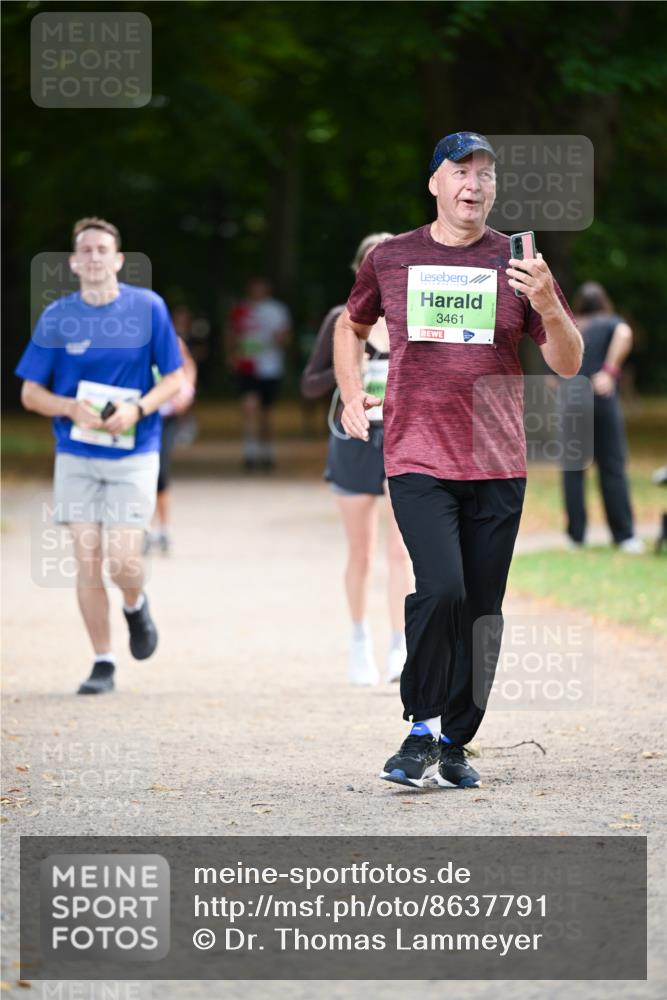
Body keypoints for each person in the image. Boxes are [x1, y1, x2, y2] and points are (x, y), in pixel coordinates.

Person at [334, 132, 582, 789]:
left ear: (493, 189)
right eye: (459, 171)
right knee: (440, 588)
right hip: (416, 452)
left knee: (481, 610)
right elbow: (349, 326)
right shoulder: (391, 257)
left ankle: (453, 742)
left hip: (496, 458)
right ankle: (418, 727)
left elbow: (567, 363)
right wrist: (353, 389)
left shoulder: (518, 262)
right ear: (435, 184)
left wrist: (548, 305)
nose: (473, 183)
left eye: (484, 174)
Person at [15, 217, 184, 695]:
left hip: (134, 451)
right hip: (75, 452)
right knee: (86, 556)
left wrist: (137, 407)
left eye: (101, 249)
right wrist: (68, 407)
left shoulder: (148, 308)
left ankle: (135, 603)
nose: (93, 257)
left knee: (122, 558)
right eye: (84, 250)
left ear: (117, 260)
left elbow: (173, 379)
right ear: (73, 262)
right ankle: (103, 661)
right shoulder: (57, 317)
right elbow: (30, 393)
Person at [301, 233, 413, 686]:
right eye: (372, 261)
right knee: (361, 551)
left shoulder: (413, 316)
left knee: (400, 551)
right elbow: (309, 384)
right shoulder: (340, 320)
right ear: (359, 269)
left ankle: (400, 646)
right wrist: (350, 365)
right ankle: (358, 639)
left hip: (402, 440)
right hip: (351, 439)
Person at [562, 281, 643, 553]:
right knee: (612, 467)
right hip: (601, 398)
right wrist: (609, 370)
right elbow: (624, 333)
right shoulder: (610, 321)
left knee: (573, 471)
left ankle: (576, 537)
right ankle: (624, 536)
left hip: (573, 400)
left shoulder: (573, 325)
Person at [226, 277, 291, 470]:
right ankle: (250, 453)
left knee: (266, 413)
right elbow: (231, 334)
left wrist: (278, 339)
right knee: (249, 407)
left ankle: (267, 452)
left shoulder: (277, 310)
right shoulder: (241, 309)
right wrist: (231, 355)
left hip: (270, 367)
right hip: (247, 367)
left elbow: (286, 336)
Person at [145, 333, 197, 555]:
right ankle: (143, 528)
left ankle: (163, 528)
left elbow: (187, 365)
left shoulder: (171, 339)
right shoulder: (129, 340)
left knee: (161, 472)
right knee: (141, 475)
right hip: (139, 417)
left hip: (165, 418)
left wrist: (186, 393)